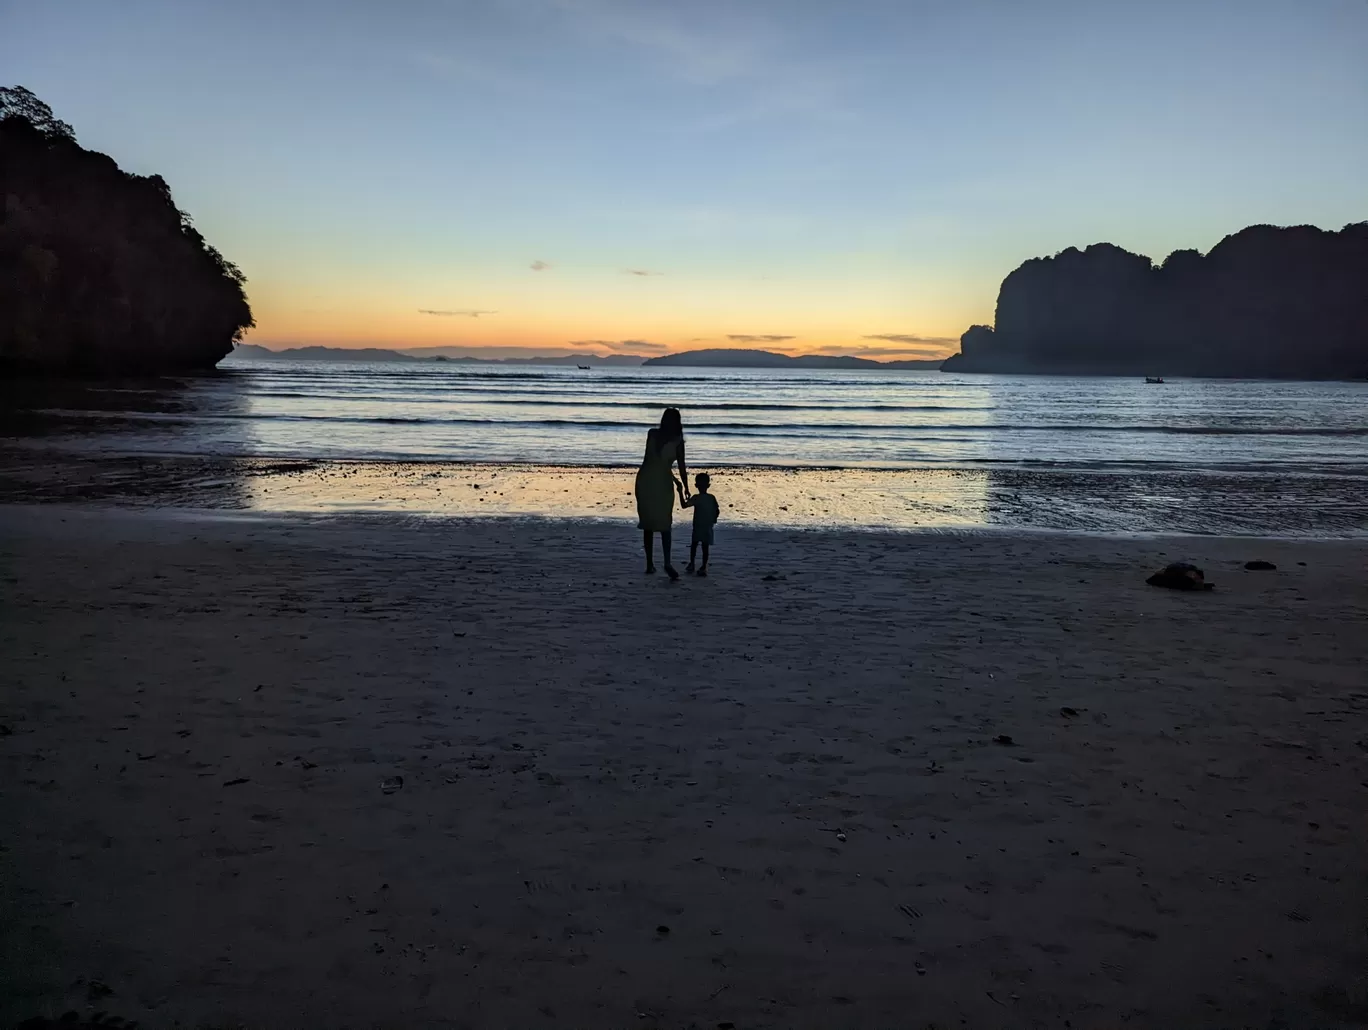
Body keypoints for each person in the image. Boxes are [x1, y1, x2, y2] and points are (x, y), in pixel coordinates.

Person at [634, 407, 687, 579]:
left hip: (646, 479)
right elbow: (680, 467)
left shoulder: (653, 434)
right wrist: (684, 486)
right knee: (664, 524)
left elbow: (651, 461)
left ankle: (650, 564)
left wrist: (680, 482)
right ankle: (666, 562)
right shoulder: (678, 441)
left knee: (649, 524)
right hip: (661, 482)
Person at [678, 472, 719, 576]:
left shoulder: (696, 498)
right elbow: (717, 510)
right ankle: (703, 566)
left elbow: (684, 505)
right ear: (708, 486)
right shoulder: (711, 497)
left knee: (694, 545)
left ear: (696, 486)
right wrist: (714, 519)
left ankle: (692, 563)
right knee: (705, 547)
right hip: (707, 525)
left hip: (698, 526)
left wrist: (680, 492)